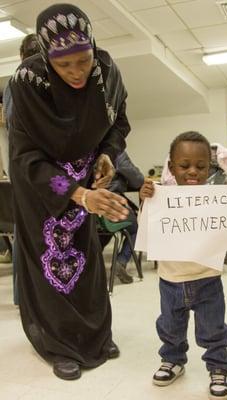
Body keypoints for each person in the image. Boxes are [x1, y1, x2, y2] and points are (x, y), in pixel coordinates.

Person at [9, 3, 130, 380]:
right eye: (64, 65)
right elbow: (28, 159)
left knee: (88, 260)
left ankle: (95, 336)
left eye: (83, 59)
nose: (76, 72)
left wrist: (107, 155)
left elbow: (119, 121)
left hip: (87, 180)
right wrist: (78, 194)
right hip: (43, 188)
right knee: (51, 267)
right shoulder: (27, 84)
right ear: (47, 58)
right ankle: (58, 344)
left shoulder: (106, 71)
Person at [139, 131, 227, 400]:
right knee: (170, 326)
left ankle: (219, 367)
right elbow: (147, 228)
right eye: (184, 166)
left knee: (213, 329)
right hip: (170, 281)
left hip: (208, 279)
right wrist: (145, 199)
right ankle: (173, 360)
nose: (192, 172)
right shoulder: (159, 196)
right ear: (171, 167)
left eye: (201, 167)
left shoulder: (218, 199)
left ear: (209, 168)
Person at [2, 33, 41, 305]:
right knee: (30, 234)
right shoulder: (26, 81)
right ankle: (28, 298)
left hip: (21, 167)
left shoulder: (13, 84)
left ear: (19, 54)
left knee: (23, 233)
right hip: (34, 168)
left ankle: (22, 297)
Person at [101, 151, 144, 283]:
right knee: (138, 228)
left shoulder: (85, 150)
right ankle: (121, 261)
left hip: (93, 212)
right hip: (111, 206)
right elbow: (137, 179)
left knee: (104, 231)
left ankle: (94, 263)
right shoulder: (115, 152)